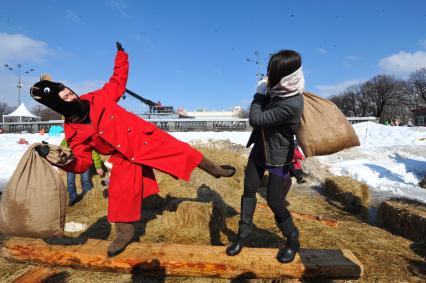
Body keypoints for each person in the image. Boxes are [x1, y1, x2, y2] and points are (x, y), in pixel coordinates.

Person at [30, 42, 236, 257]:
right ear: (57, 105)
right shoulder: (73, 132)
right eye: (63, 95)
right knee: (120, 193)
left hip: (145, 138)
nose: (69, 93)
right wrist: (59, 159)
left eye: (67, 89)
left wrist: (121, 56)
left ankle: (217, 171)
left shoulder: (98, 97)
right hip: (124, 157)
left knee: (184, 153)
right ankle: (124, 232)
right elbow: (82, 162)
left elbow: (118, 79)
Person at [226, 50, 304, 263]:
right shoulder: (279, 89)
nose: (268, 74)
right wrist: (266, 89)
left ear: (285, 74)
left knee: (274, 201)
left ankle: (293, 239)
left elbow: (256, 118)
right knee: (249, 191)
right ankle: (242, 235)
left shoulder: (292, 102)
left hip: (279, 155)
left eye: (272, 71)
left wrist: (260, 93)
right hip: (260, 150)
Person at [60, 138, 104, 207]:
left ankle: (88, 199)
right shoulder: (69, 135)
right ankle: (72, 198)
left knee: (86, 180)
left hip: (84, 161)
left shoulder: (86, 136)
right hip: (71, 162)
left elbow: (94, 152)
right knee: (70, 181)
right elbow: (62, 147)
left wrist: (98, 166)